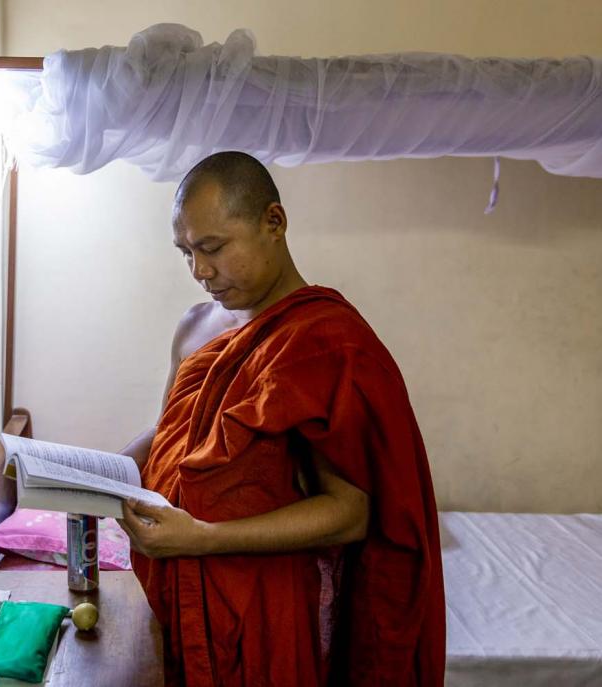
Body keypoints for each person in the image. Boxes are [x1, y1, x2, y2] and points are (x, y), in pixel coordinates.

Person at [118, 151, 445, 686]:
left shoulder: (327, 342)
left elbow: (350, 512)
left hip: (267, 604)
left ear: (274, 222)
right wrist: (108, 469)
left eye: (214, 248)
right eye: (186, 253)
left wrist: (202, 537)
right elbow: (173, 433)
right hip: (178, 584)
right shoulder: (195, 326)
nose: (200, 271)